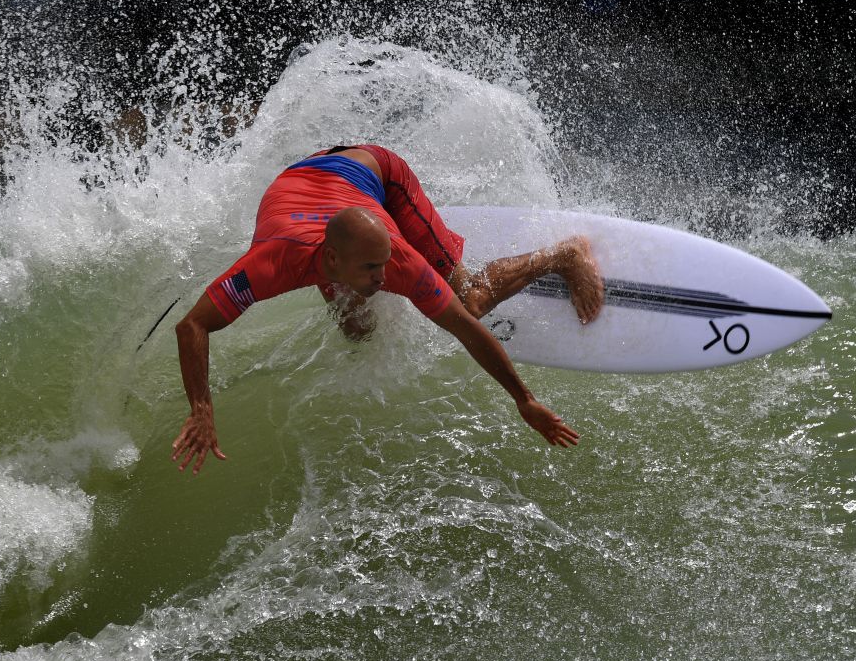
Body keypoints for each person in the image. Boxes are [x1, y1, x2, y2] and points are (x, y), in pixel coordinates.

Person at [171, 144, 604, 474]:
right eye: (370, 268)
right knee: (357, 328)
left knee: (470, 298)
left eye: (383, 265)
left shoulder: (396, 260)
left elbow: (464, 325)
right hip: (303, 185)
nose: (384, 279)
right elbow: (192, 324)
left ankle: (564, 255)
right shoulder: (273, 262)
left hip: (376, 173)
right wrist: (201, 409)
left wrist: (523, 399)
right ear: (332, 261)